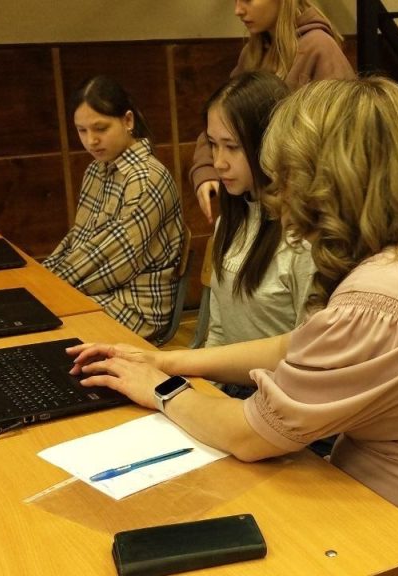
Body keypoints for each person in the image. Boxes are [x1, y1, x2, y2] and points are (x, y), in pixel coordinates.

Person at [70, 77, 398, 575]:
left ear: (326, 182)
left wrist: (161, 389)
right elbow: (299, 344)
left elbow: (249, 434)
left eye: (286, 176)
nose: (277, 195)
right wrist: (168, 359)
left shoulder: (385, 296)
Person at [44, 76, 187, 343]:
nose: (91, 141)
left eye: (100, 128)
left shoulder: (147, 178)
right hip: (101, 292)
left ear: (128, 121)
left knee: (40, 327)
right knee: (29, 317)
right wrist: (40, 278)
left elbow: (111, 263)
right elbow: (78, 241)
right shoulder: (95, 170)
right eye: (82, 131)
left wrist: (48, 289)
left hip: (136, 308)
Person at [201, 71, 315, 396]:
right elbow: (219, 332)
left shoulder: (301, 238)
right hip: (234, 386)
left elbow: (311, 357)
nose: (218, 162)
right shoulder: (230, 221)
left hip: (283, 397)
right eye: (213, 145)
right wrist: (202, 392)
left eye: (232, 147)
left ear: (270, 145)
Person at [190, 0, 354, 224]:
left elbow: (345, 141)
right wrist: (205, 167)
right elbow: (223, 117)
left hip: (305, 210)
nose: (238, 10)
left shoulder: (320, 48)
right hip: (261, 205)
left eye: (248, 0)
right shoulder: (252, 53)